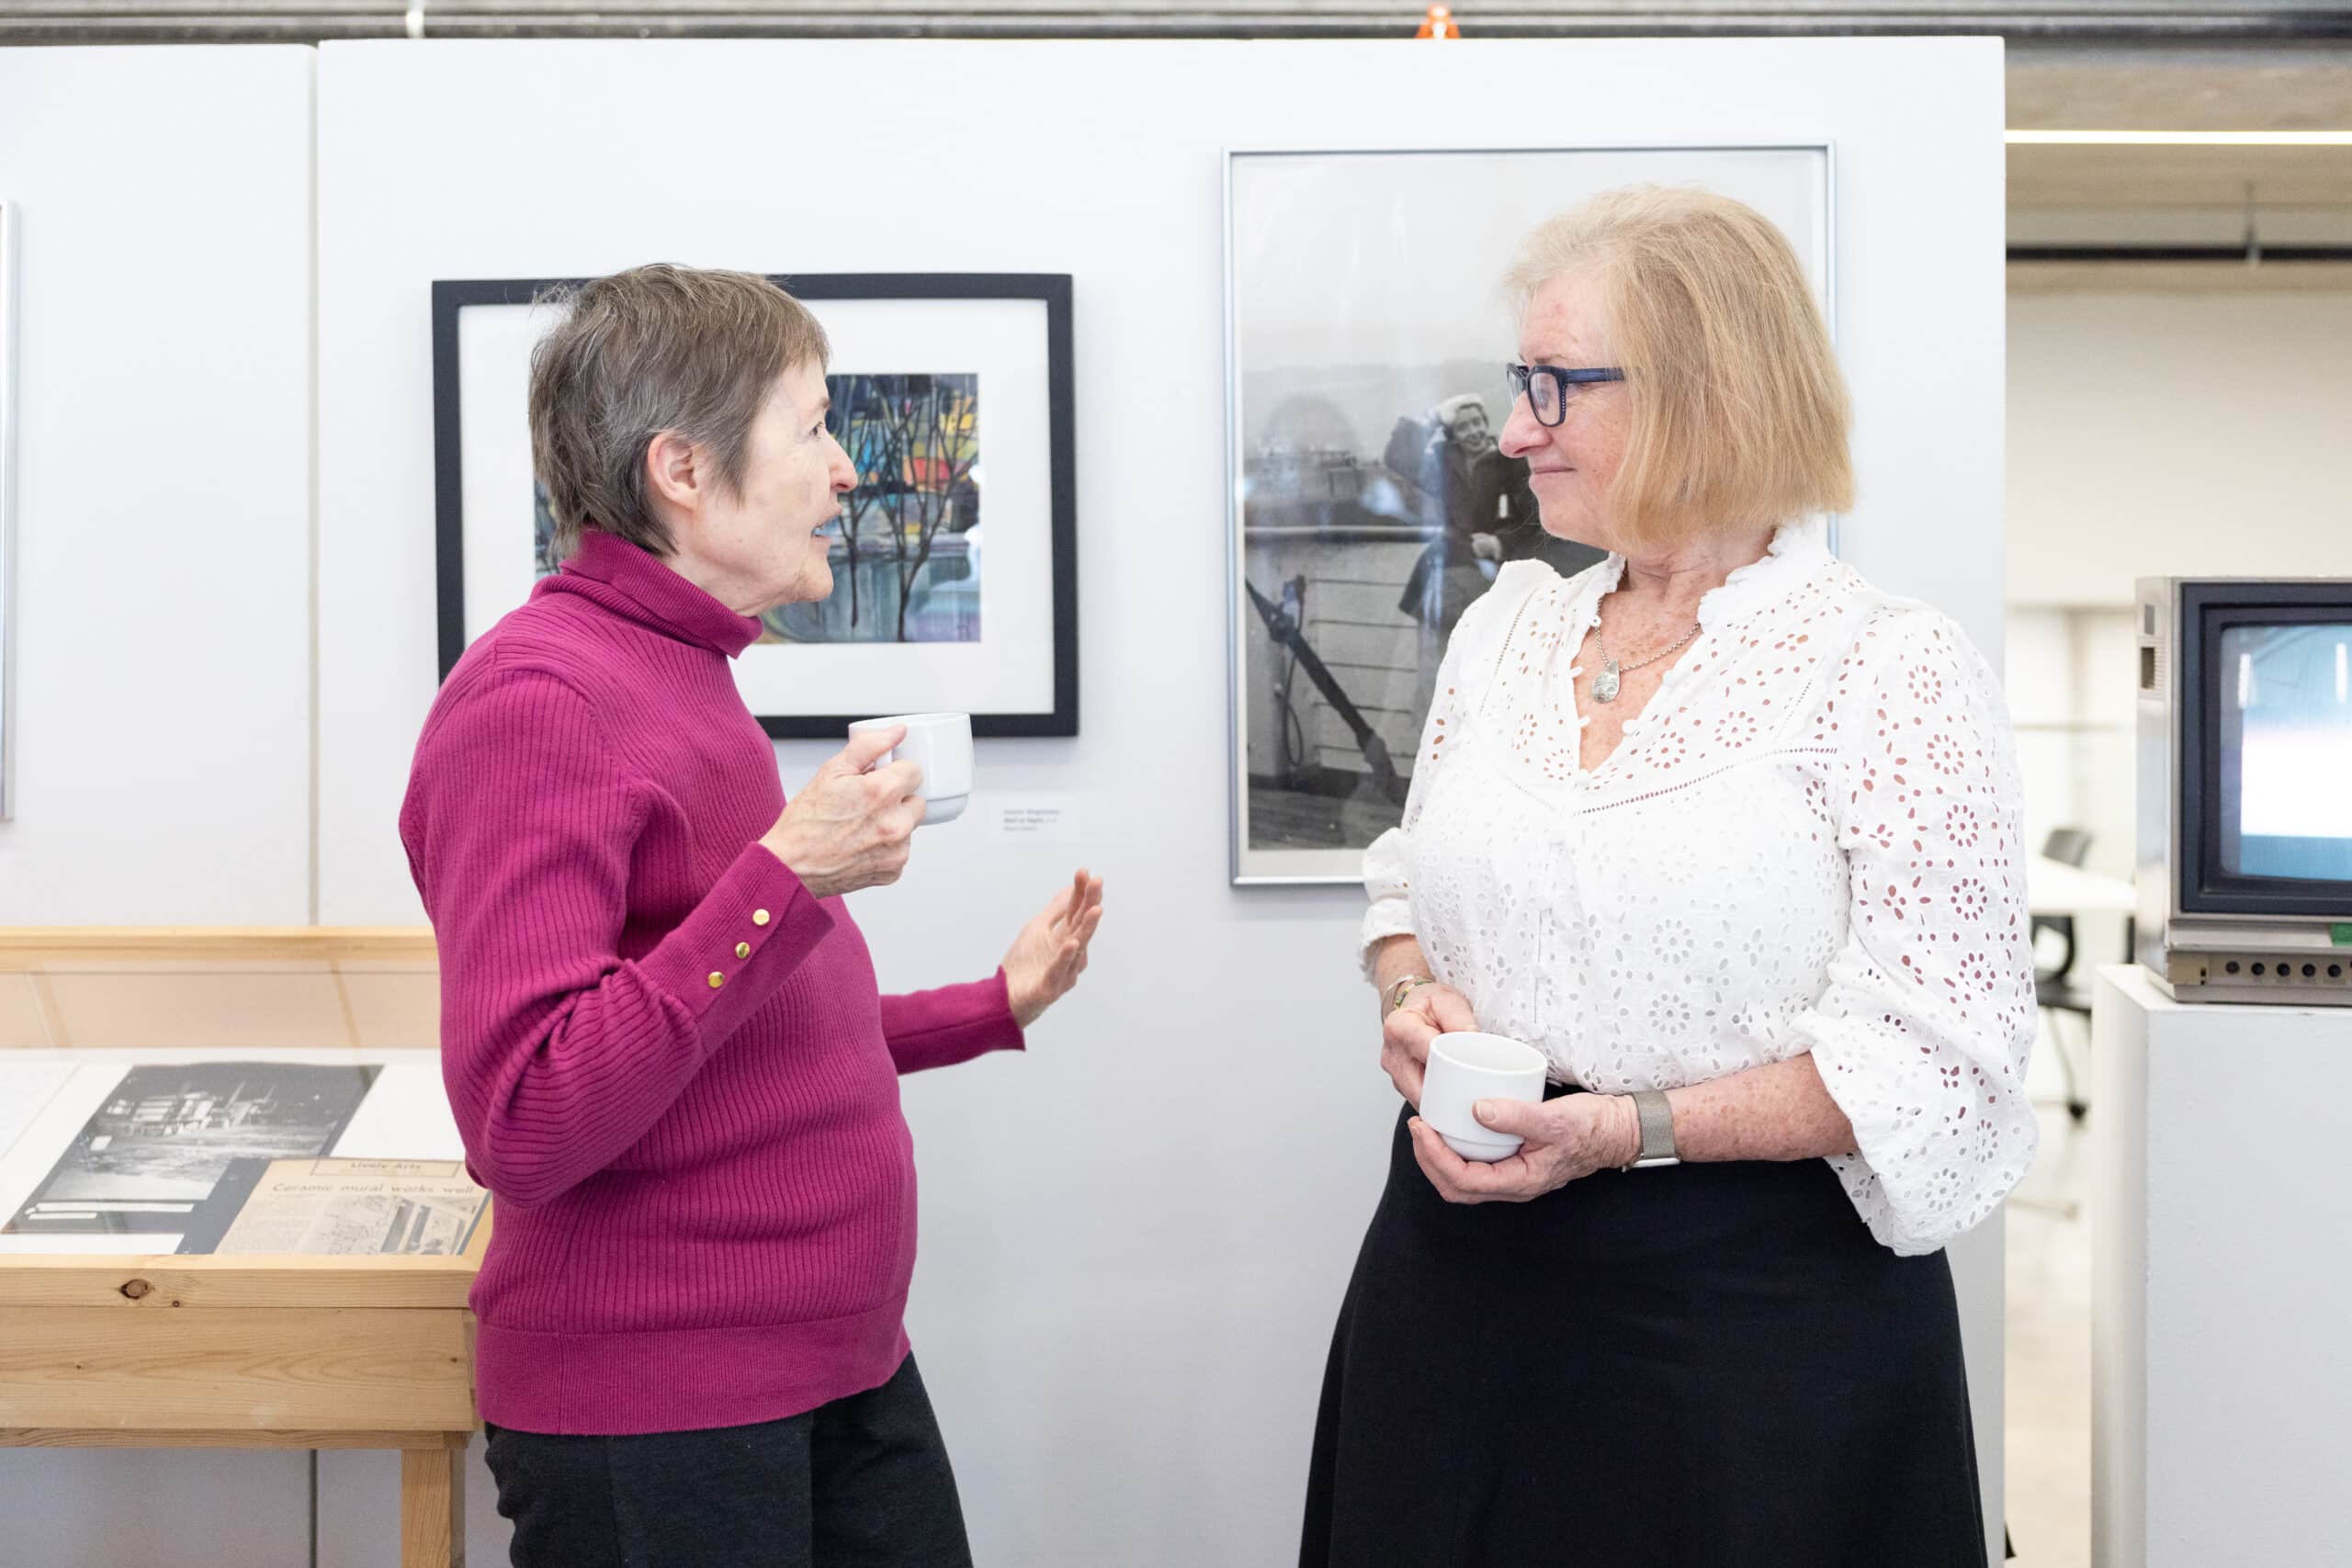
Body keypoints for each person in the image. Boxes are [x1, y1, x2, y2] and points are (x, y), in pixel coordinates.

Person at [1301, 186, 2036, 1567]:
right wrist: (1408, 995)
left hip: (1749, 1334)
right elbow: (1403, 885)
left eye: (1552, 386)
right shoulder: (1505, 633)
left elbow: (1943, 1062)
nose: (1515, 429)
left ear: (1706, 394)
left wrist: (1627, 1128)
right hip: (1457, 1287)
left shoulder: (1886, 669)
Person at [400, 264, 1105, 1568]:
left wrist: (987, 1008)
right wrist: (782, 881)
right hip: (662, 1412)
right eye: (813, 426)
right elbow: (530, 1116)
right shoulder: (538, 700)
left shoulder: (683, 673)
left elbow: (749, 1040)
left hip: (828, 1366)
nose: (848, 470)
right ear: (681, 467)